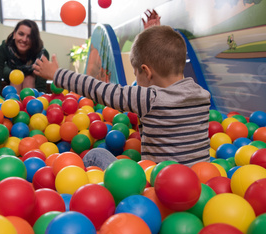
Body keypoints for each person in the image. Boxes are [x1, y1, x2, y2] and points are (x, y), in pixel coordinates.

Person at [33, 22, 211, 168]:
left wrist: (56, 74)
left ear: (146, 72)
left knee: (96, 154)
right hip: (201, 183)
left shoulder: (149, 99)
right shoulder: (202, 96)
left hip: (159, 184)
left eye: (136, 74)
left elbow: (98, 89)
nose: (135, 80)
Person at [0, 19, 50, 94]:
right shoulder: (3, 49)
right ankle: (14, 103)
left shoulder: (42, 54)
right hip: (10, 71)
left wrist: (40, 102)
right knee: (16, 78)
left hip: (31, 74)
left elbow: (41, 86)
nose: (24, 39)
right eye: (21, 34)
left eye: (29, 36)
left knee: (29, 79)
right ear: (14, 34)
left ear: (34, 39)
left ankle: (26, 104)